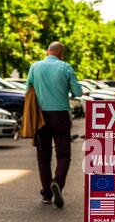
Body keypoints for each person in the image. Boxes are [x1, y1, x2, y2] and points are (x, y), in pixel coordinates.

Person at [26, 41, 82, 208]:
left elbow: (28, 90)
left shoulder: (34, 67)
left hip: (40, 116)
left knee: (43, 156)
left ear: (47, 51)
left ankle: (47, 194)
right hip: (60, 116)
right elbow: (78, 92)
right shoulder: (66, 67)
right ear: (61, 54)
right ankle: (57, 182)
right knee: (63, 154)